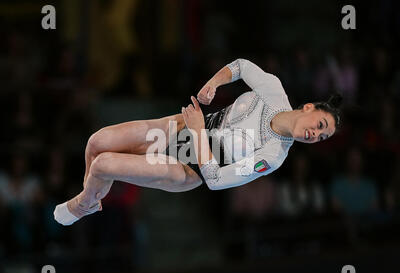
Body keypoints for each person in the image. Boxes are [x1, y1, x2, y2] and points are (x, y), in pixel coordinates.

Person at [54, 58, 342, 226]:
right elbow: (240, 66)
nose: (315, 135)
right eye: (320, 125)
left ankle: (84, 203)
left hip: (186, 167)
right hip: (183, 126)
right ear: (308, 107)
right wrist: (213, 84)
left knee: (103, 165)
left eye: (323, 137)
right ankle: (92, 198)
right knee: (96, 142)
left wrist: (199, 132)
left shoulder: (273, 156)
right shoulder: (274, 90)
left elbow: (216, 180)